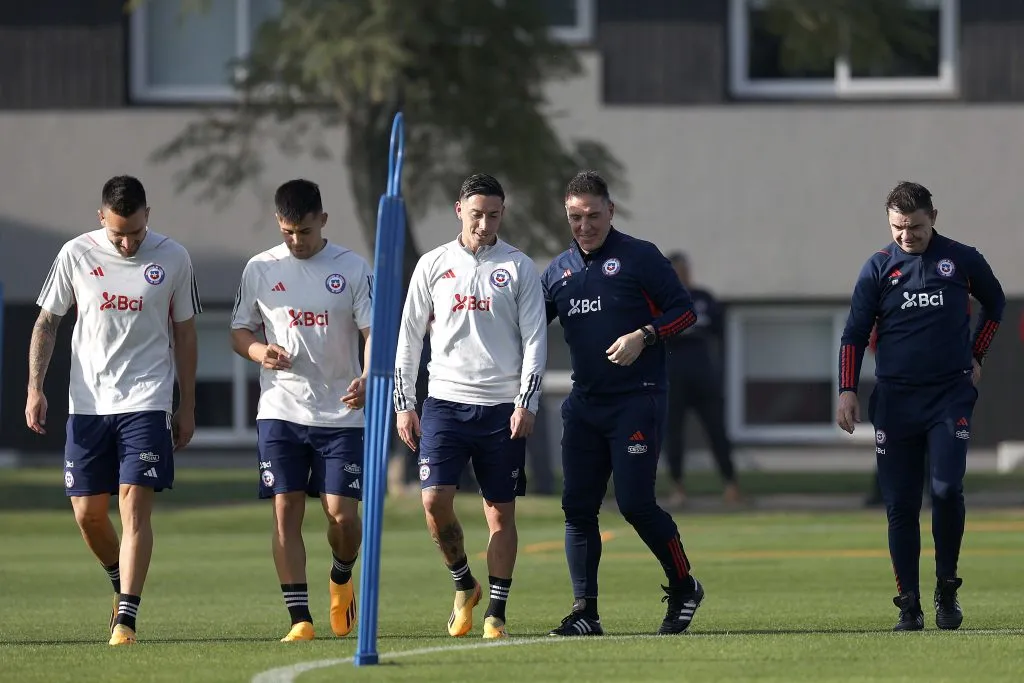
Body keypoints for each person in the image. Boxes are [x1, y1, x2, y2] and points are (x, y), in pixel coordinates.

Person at [25, 175, 201, 646]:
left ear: (149, 216)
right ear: (101, 217)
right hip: (87, 404)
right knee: (87, 514)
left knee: (133, 507)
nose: (127, 243)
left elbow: (185, 334)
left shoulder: (174, 258)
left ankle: (126, 619)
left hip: (147, 400)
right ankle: (118, 582)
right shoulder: (76, 254)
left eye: (137, 233)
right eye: (118, 233)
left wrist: (187, 403)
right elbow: (47, 321)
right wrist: (34, 388)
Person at [541, 170, 704, 637]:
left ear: (610, 211)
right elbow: (525, 326)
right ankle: (585, 613)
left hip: (638, 399)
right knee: (577, 507)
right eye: (575, 217)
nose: (585, 225)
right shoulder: (558, 272)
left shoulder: (639, 257)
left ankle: (684, 584)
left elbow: (685, 311)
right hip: (584, 404)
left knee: (634, 503)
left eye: (593, 215)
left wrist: (645, 335)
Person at [836, 181, 1004, 632]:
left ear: (934, 218)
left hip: (949, 395)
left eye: (915, 227)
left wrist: (977, 353)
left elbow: (996, 302)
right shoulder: (877, 268)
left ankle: (946, 587)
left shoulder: (962, 259)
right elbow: (853, 334)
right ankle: (908, 604)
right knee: (900, 505)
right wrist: (846, 390)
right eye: (898, 228)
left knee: (947, 490)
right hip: (896, 400)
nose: (906, 236)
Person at [393, 173, 547, 640]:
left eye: (494, 215)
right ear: (458, 209)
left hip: (502, 408)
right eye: (476, 213)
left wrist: (527, 400)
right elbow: (408, 336)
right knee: (434, 501)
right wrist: (405, 402)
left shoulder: (518, 267)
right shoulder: (433, 264)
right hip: (444, 403)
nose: (484, 223)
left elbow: (536, 339)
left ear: (503, 214)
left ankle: (496, 614)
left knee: (500, 515)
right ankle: (464, 582)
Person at [230, 179, 373, 643]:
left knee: (343, 518)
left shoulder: (352, 268)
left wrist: (369, 377)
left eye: (306, 231)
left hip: (341, 413)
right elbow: (239, 331)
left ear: (323, 221)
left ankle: (341, 573)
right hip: (280, 408)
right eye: (289, 231)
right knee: (284, 511)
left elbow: (373, 333)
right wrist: (258, 353)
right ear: (279, 223)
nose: (297, 240)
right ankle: (300, 619)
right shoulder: (260, 267)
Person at [661, 252, 741, 506]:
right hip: (673, 379)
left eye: (684, 270)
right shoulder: (660, 302)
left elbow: (721, 333)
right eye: (675, 270)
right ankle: (678, 487)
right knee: (673, 434)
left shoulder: (703, 299)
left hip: (704, 378)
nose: (680, 275)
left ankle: (731, 485)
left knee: (717, 431)